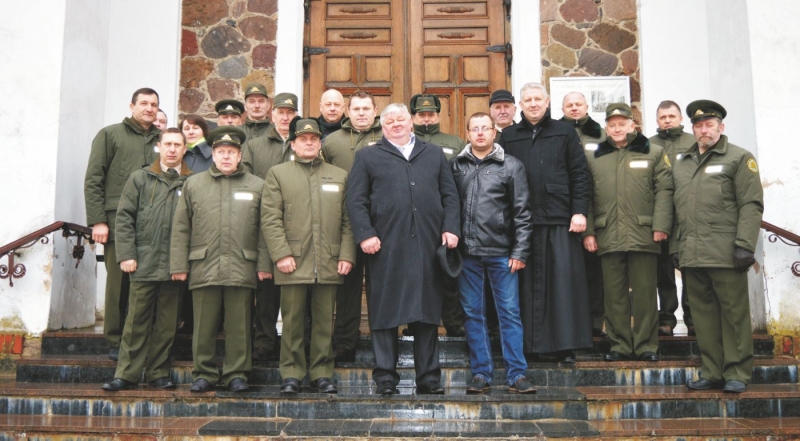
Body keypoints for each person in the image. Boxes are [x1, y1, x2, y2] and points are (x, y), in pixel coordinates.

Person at [346, 103, 461, 396]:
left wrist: (451, 228)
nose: (396, 124)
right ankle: (385, 377)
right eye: (389, 121)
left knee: (425, 312)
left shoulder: (433, 154)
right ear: (381, 126)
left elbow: (450, 195)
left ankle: (429, 378)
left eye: (401, 119)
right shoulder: (368, 156)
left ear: (411, 122)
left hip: (427, 242)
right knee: (383, 312)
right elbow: (356, 200)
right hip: (385, 246)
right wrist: (365, 235)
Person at [170, 126, 270, 393]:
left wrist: (263, 264)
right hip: (204, 264)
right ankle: (204, 373)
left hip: (242, 264)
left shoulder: (257, 186)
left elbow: (265, 228)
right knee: (204, 324)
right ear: (213, 155)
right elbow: (181, 227)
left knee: (240, 324)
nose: (226, 157)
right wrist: (179, 264)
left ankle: (237, 373)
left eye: (232, 152)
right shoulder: (194, 184)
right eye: (221, 152)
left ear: (239, 156)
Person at [499, 82, 593, 363]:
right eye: (528, 100)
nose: (533, 104)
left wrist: (579, 211)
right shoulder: (509, 135)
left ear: (547, 101)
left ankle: (565, 346)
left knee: (562, 285)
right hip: (521, 222)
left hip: (559, 219)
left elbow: (580, 173)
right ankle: (528, 347)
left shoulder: (564, 131)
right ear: (520, 104)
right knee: (524, 287)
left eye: (538, 99)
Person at [674, 100, 763, 393]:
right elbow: (676, 207)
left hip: (727, 253)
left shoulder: (739, 158)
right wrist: (677, 246)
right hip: (692, 253)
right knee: (703, 317)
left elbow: (751, 204)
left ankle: (737, 371)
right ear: (692, 129)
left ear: (721, 127)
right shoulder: (682, 162)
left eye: (709, 124)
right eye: (698, 125)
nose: (704, 130)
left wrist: (744, 245)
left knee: (733, 315)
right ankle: (712, 371)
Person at [262, 118, 355, 394]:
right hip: (292, 261)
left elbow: (348, 221)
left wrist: (346, 255)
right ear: (293, 144)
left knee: (325, 322)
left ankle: (321, 373)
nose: (309, 143)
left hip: (328, 260)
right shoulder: (278, 174)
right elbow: (270, 219)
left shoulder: (338, 175)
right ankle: (291, 373)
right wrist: (280, 254)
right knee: (292, 321)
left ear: (320, 143)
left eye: (314, 139)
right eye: (303, 139)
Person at [451, 112, 536, 394]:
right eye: (474, 129)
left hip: (502, 253)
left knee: (509, 313)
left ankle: (517, 374)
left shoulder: (511, 166)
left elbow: (523, 213)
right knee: (473, 315)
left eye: (484, 128)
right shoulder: (456, 166)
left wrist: (520, 251)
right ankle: (481, 373)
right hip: (468, 255)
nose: (479, 134)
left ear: (494, 132)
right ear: (467, 133)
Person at [101, 128, 192, 391]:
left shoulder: (192, 182)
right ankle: (126, 374)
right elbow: (124, 217)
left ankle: (158, 372)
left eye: (178, 144)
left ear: (185, 148)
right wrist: (127, 254)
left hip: (175, 266)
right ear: (159, 147)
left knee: (167, 323)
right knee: (136, 321)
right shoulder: (140, 177)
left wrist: (185, 263)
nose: (172, 149)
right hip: (143, 261)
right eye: (168, 144)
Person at [582, 103, 673, 362]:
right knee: (614, 293)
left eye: (622, 123)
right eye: (612, 124)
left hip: (644, 232)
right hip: (607, 232)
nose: (617, 128)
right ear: (606, 128)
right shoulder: (595, 156)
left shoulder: (653, 153)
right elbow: (586, 196)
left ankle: (646, 345)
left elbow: (664, 192)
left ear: (633, 125)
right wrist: (588, 231)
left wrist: (661, 225)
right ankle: (619, 344)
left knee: (645, 292)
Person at [84, 87, 161, 360]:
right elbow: (94, 178)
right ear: (132, 106)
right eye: (143, 103)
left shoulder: (163, 140)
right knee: (118, 285)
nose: (149, 108)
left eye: (154, 104)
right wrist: (98, 221)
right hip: (117, 221)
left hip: (153, 223)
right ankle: (115, 339)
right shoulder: (110, 135)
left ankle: (142, 337)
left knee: (148, 282)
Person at [321, 91, 382, 362]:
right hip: (344, 225)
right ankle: (345, 342)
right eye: (356, 108)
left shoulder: (388, 138)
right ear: (348, 111)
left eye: (366, 108)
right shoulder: (332, 142)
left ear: (374, 110)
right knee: (347, 287)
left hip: (383, 225)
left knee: (382, 286)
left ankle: (385, 342)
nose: (361, 113)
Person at [241, 92, 298, 361]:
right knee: (265, 285)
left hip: (299, 223)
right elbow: (247, 181)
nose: (285, 117)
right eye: (281, 112)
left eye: (290, 112)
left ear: (296, 115)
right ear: (272, 114)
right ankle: (264, 341)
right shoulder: (254, 145)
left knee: (296, 287)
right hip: (265, 222)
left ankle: (296, 340)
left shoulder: (304, 143)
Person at [409, 94, 466, 337]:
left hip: (448, 215)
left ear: (438, 115)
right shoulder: (406, 142)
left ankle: (454, 322)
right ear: (413, 117)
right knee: (415, 275)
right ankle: (414, 323)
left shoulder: (454, 142)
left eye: (431, 113)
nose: (426, 118)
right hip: (415, 219)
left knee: (449, 273)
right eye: (421, 114)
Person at [561, 91, 608, 337]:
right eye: (569, 105)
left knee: (593, 269)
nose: (574, 108)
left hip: (593, 207)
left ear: (587, 106)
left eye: (578, 104)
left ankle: (594, 321)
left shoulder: (601, 134)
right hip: (562, 208)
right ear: (562, 108)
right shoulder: (556, 131)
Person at [649, 100, 696, 337]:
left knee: (690, 268)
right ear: (657, 120)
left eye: (671, 116)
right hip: (660, 216)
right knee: (663, 270)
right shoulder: (649, 145)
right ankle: (666, 318)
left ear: (680, 119)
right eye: (662, 117)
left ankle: (693, 319)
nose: (667, 120)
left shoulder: (693, 143)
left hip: (687, 217)